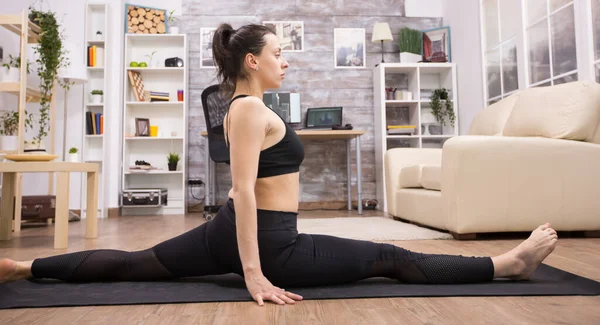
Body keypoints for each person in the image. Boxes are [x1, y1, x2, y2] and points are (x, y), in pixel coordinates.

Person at [0, 23, 558, 307]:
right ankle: (505, 266)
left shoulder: (254, 107)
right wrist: (254, 275)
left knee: (135, 263)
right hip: (270, 246)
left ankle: (27, 270)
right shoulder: (245, 111)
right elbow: (241, 193)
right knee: (389, 256)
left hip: (240, 236)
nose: (285, 62)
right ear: (252, 61)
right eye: (278, 55)